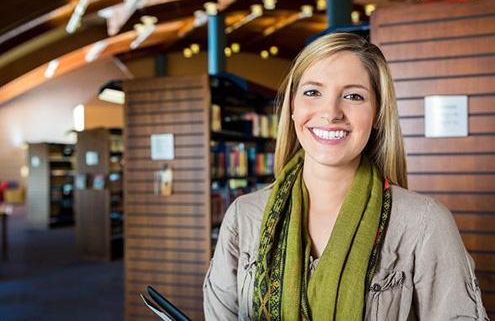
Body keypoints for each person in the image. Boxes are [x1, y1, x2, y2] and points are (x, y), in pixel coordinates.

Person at [203, 32, 489, 320]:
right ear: (292, 106)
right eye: (313, 92)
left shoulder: (424, 223)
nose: (330, 113)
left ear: (377, 114)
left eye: (353, 96)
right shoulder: (244, 217)